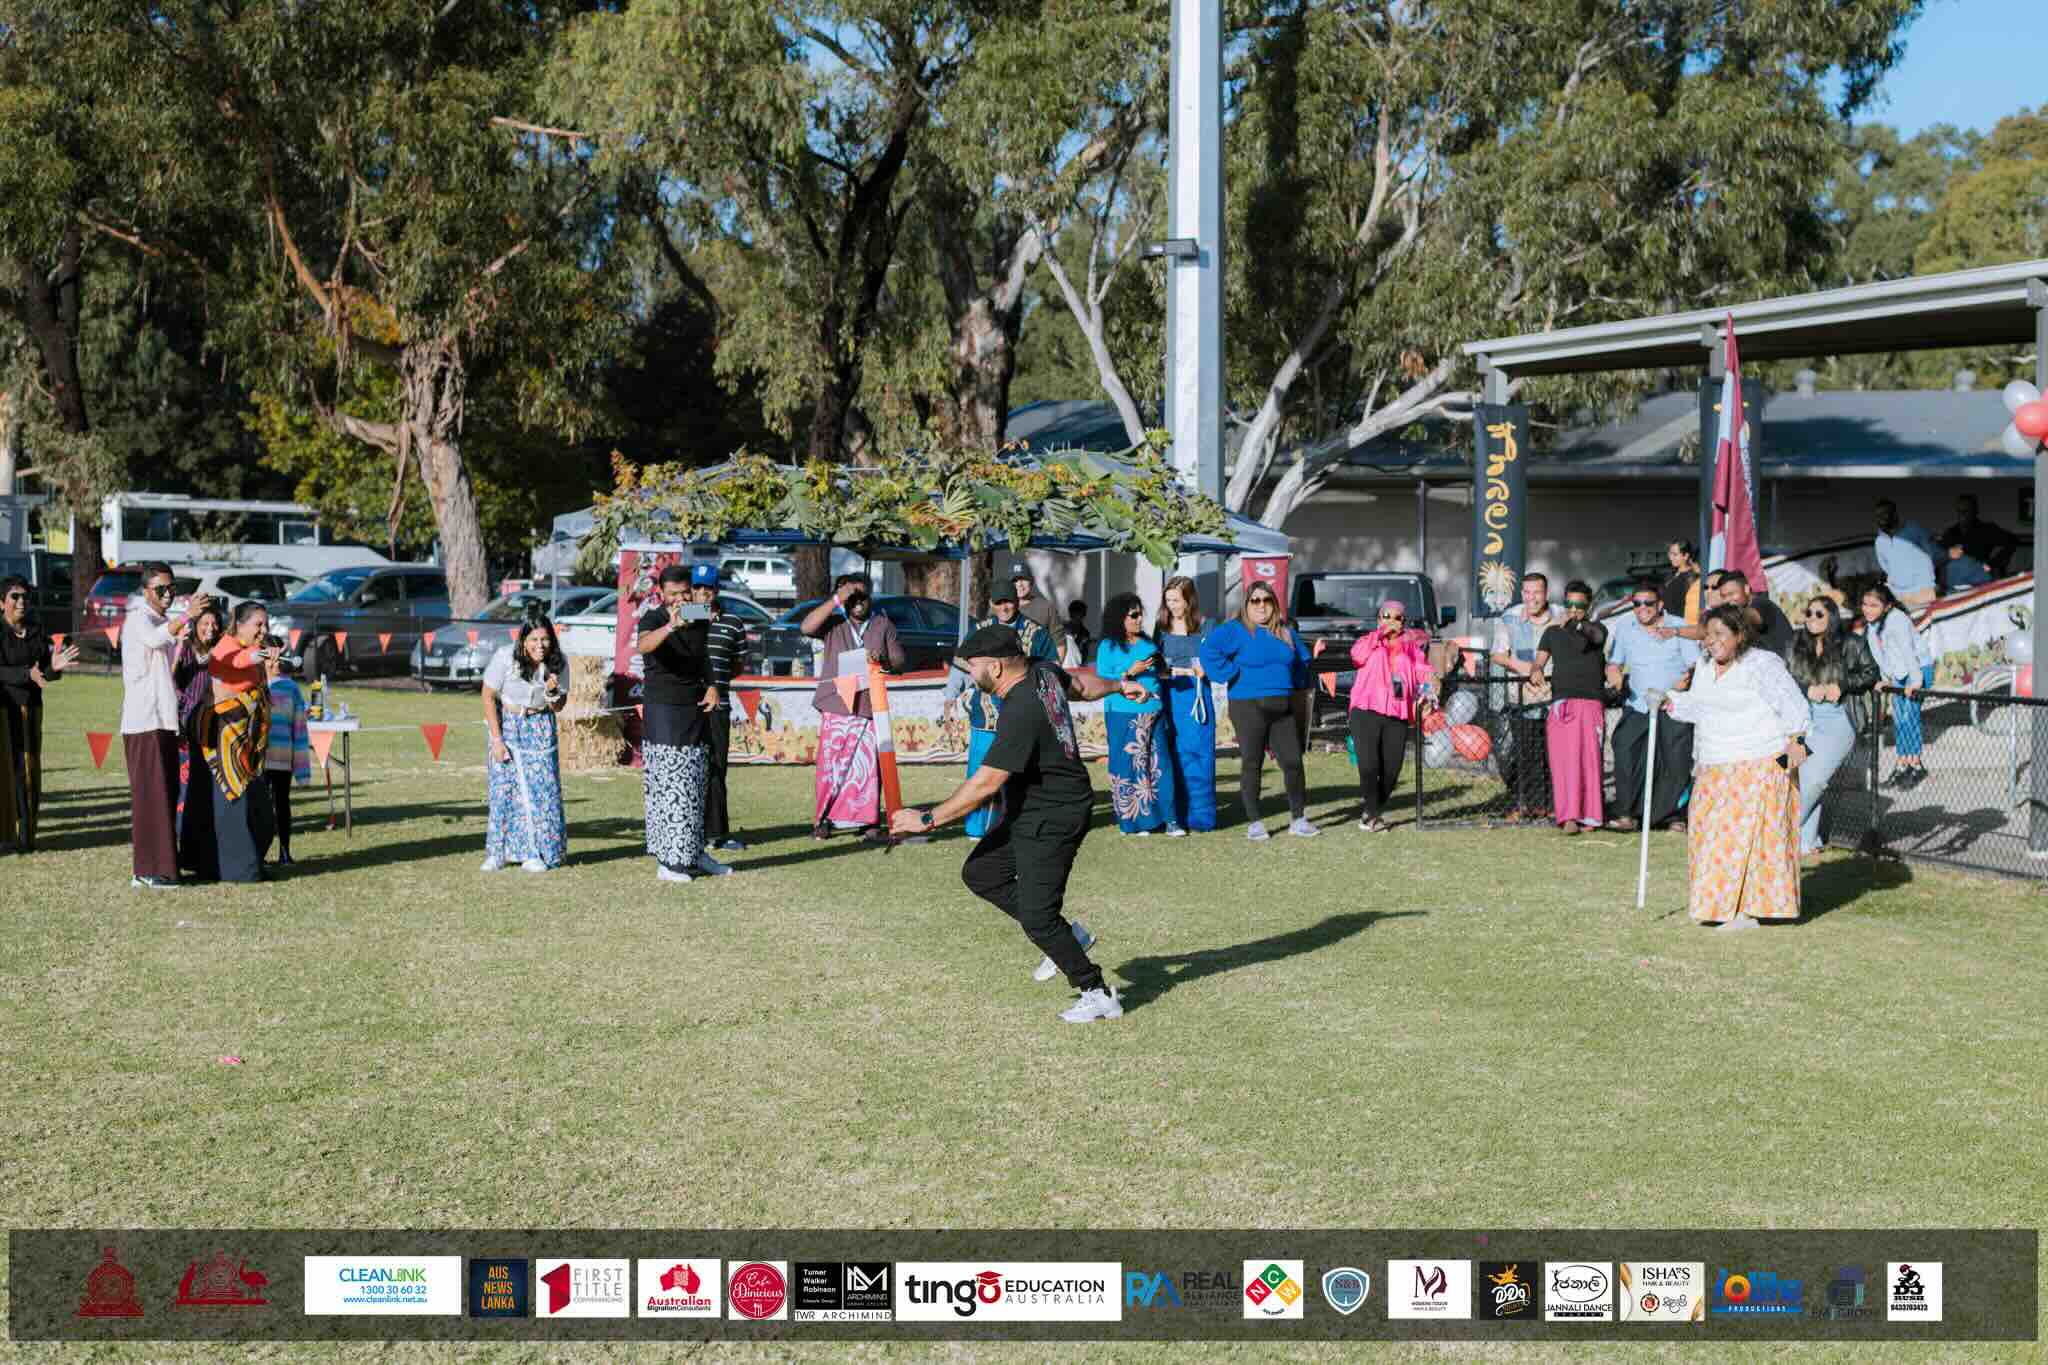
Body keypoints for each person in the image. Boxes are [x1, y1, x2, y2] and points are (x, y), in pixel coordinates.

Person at [888, 625, 1153, 1023]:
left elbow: (986, 782)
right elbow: (1080, 686)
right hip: (1031, 809)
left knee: (1038, 917)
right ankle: (1069, 937)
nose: (969, 674)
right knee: (982, 873)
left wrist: (926, 819)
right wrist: (1120, 685)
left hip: (1054, 815)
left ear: (994, 667)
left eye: (971, 666)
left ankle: (1096, 992)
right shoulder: (1043, 671)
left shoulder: (1022, 708)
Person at [1660, 604, 1810, 930]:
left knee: (1747, 840)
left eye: (1719, 635)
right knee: (1711, 839)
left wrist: (1796, 743)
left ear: (1739, 635)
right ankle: (1718, 906)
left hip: (1758, 762)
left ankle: (1747, 910)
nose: (1711, 642)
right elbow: (1700, 708)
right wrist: (1669, 700)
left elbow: (1793, 706)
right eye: (1707, 636)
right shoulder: (1704, 667)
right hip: (1715, 764)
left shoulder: (1761, 664)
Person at [1200, 581, 1317, 841]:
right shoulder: (1235, 630)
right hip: (1247, 706)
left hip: (1283, 706)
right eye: (1255, 600)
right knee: (1252, 762)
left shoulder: (1285, 632)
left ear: (1274, 604)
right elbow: (1208, 650)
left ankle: (1298, 819)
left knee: (1293, 763)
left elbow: (1301, 662)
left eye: (1266, 600)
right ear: (1246, 604)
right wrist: (1230, 673)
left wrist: (1298, 683)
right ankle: (1255, 822)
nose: (1261, 605)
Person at [638, 563, 729, 882]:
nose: (679, 599)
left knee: (697, 779)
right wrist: (671, 627)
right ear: (661, 594)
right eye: (673, 594)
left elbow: (703, 654)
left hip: (694, 708)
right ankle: (669, 861)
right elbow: (644, 645)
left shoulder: (698, 613)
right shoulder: (653, 618)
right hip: (664, 710)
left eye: (684, 592)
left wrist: (713, 684)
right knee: (670, 783)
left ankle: (695, 852)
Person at [941, 585, 1054, 837]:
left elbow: (1049, 667)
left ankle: (1016, 824)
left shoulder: (1036, 633)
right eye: (998, 601)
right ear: (991, 603)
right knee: (980, 773)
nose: (1004, 607)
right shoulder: (980, 631)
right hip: (986, 717)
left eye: (1009, 602)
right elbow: (962, 667)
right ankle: (977, 828)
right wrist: (950, 697)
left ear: (1017, 602)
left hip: (1022, 715)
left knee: (1021, 775)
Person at [803, 572, 906, 841]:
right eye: (852, 596)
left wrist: (880, 658)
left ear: (871, 596)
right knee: (831, 767)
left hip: (868, 706)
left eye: (862, 595)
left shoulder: (882, 624)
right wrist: (837, 599)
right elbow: (806, 627)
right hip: (835, 704)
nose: (858, 601)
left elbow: (899, 662)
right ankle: (824, 819)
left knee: (867, 767)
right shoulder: (834, 624)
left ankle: (869, 821)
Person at [1786, 595, 1879, 861]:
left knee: (1815, 779)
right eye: (1808, 613)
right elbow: (1786, 677)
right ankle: (1806, 842)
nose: (1811, 619)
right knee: (1790, 771)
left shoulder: (1851, 642)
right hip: (1804, 720)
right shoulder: (1797, 643)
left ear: (1831, 618)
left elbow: (1871, 673)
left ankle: (1783, 830)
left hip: (1839, 720)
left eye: (1818, 614)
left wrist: (1842, 685)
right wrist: (1808, 689)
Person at [121, 563, 196, 889]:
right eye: (161, 589)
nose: (168, 595)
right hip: (143, 721)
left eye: (171, 588)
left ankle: (163, 867)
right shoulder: (138, 618)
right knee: (149, 797)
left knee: (164, 794)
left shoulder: (163, 622)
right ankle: (147, 870)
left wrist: (183, 638)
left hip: (164, 719)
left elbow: (167, 665)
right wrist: (186, 616)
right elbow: (153, 640)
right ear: (145, 591)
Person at [1604, 586, 1699, 833]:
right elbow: (1615, 663)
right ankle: (1627, 813)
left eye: (1648, 603)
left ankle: (1674, 816)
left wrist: (1681, 686)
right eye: (1637, 603)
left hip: (1672, 704)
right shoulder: (1625, 627)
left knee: (1675, 759)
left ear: (1660, 604)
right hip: (1637, 704)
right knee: (1624, 750)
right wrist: (1614, 677)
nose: (1642, 608)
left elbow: (1693, 665)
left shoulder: (1678, 627)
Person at [481, 607, 569, 873]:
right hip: (508, 724)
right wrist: (496, 739)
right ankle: (498, 851)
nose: (539, 645)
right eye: (533, 640)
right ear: (523, 641)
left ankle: (537, 852)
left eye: (544, 639)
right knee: (504, 789)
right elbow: (487, 695)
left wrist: (553, 693)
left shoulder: (559, 662)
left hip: (541, 726)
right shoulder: (505, 657)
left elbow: (559, 706)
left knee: (540, 792)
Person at [201, 602, 281, 884]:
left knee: (260, 812)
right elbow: (235, 662)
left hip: (249, 745)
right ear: (239, 625)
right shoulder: (226, 646)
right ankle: (239, 871)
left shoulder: (253, 653)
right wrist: (260, 654)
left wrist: (268, 664)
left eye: (266, 625)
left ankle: (253, 864)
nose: (264, 630)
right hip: (225, 741)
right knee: (235, 809)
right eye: (258, 625)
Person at [0, 573, 78, 851]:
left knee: (29, 769)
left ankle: (26, 836)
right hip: (4, 710)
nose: (22, 602)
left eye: (25, 596)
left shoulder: (35, 629)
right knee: (6, 772)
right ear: (2, 602)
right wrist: (25, 673)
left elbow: (43, 671)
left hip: (31, 708)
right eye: (15, 596)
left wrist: (53, 668)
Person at [1345, 596, 1437, 833]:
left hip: (1397, 713)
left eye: (1398, 617)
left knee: (1392, 771)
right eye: (1387, 616)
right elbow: (1357, 657)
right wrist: (1379, 636)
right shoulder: (1367, 641)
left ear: (1404, 622)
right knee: (1369, 765)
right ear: (1378, 619)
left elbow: (1423, 671)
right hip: (1365, 711)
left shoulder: (1411, 647)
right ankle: (1373, 816)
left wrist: (1430, 686)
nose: (1392, 621)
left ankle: (1370, 807)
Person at [1095, 591, 1180, 836]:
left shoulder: (1147, 644)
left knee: (1159, 765)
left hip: (1153, 711)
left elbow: (1160, 674)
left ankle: (1169, 819)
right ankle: (1134, 823)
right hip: (1123, 714)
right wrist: (1129, 671)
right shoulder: (1108, 646)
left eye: (1141, 614)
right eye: (1134, 615)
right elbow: (1102, 678)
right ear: (1119, 617)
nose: (1139, 619)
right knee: (1128, 766)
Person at [1530, 581, 1608, 834]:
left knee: (1590, 761)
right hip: (1562, 702)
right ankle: (1569, 817)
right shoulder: (1552, 633)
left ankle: (1591, 816)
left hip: (1591, 703)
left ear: (1588, 606)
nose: (1573, 609)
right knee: (1564, 762)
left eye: (1579, 605)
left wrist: (1575, 623)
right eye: (1569, 604)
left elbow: (1597, 637)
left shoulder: (1596, 630)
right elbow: (1539, 661)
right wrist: (1536, 671)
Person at [1488, 571, 1565, 821]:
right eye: (1528, 592)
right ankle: (1528, 804)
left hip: (1554, 697)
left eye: (1537, 592)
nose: (1532, 598)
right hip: (1521, 697)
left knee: (1553, 754)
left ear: (1546, 594)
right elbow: (1498, 654)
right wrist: (1527, 668)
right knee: (1525, 753)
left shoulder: (1561, 616)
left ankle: (1554, 805)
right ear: (1522, 594)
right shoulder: (1509, 618)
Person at [1155, 575, 1217, 833]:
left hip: (1196, 695)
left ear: (1189, 600)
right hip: (1169, 695)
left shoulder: (1207, 626)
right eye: (1168, 601)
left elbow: (1216, 661)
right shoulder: (1160, 628)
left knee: (1199, 754)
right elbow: (1155, 664)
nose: (1172, 606)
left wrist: (1206, 669)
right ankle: (1174, 814)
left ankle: (1201, 817)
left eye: (1177, 601)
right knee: (1172, 755)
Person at [696, 564, 750, 851]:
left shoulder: (733, 622)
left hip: (720, 706)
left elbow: (738, 664)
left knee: (717, 768)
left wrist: (718, 683)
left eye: (708, 588)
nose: (703, 593)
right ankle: (691, 830)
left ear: (716, 590)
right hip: (688, 708)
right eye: (697, 588)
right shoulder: (686, 618)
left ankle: (717, 833)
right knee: (690, 769)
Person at [173, 605, 225, 882]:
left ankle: (210, 852)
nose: (210, 628)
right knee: (188, 791)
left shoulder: (222, 651)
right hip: (188, 726)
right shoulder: (184, 650)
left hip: (215, 727)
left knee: (208, 790)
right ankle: (187, 852)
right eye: (205, 623)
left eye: (214, 623)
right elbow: (173, 681)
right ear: (195, 625)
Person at [1862, 583, 1933, 787]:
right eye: (1865, 604)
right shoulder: (1872, 625)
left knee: (1910, 717)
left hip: (1917, 669)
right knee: (1899, 719)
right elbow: (1881, 655)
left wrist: (1916, 681)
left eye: (1874, 605)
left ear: (1887, 606)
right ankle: (1902, 764)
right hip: (1899, 674)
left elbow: (1908, 652)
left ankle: (1915, 765)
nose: (1867, 609)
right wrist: (1886, 678)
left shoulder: (1897, 620)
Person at [262, 637, 312, 869]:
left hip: (282, 760)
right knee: (259, 808)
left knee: (282, 805)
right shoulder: (252, 685)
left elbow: (299, 730)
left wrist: (302, 770)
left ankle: (285, 852)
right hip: (256, 762)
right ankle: (257, 853)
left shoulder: (291, 689)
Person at [1874, 498, 1938, 609]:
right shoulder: (1879, 542)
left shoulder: (1913, 529)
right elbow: (1887, 569)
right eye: (1878, 515)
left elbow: (1932, 554)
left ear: (1894, 514)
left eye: (1885, 513)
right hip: (1901, 597)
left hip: (1923, 591)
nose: (1881, 518)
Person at [1940, 493, 2019, 577]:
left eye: (1966, 511)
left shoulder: (1987, 530)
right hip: (1957, 579)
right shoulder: (1951, 533)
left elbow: (2012, 541)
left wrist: (1992, 564)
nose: (1962, 514)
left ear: (1975, 511)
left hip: (1979, 579)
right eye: (1959, 511)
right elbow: (1940, 555)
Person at [1006, 560, 1067, 661]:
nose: (1019, 584)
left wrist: (1053, 669)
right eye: (1015, 580)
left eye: (1023, 579)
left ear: (1032, 581)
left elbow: (1059, 642)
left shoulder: (1045, 607)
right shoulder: (1001, 607)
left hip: (1038, 667)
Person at [1661, 540, 1703, 624]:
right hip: (1667, 623)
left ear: (1686, 556)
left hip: (1682, 625)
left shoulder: (1692, 577)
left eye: (1675, 554)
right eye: (1670, 554)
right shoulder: (1670, 575)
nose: (1671, 557)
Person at [1064, 599, 1093, 664]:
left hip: (1078, 665)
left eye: (1082, 615)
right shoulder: (1062, 630)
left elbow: (1085, 653)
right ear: (1071, 614)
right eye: (1076, 615)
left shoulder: (1085, 632)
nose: (1079, 617)